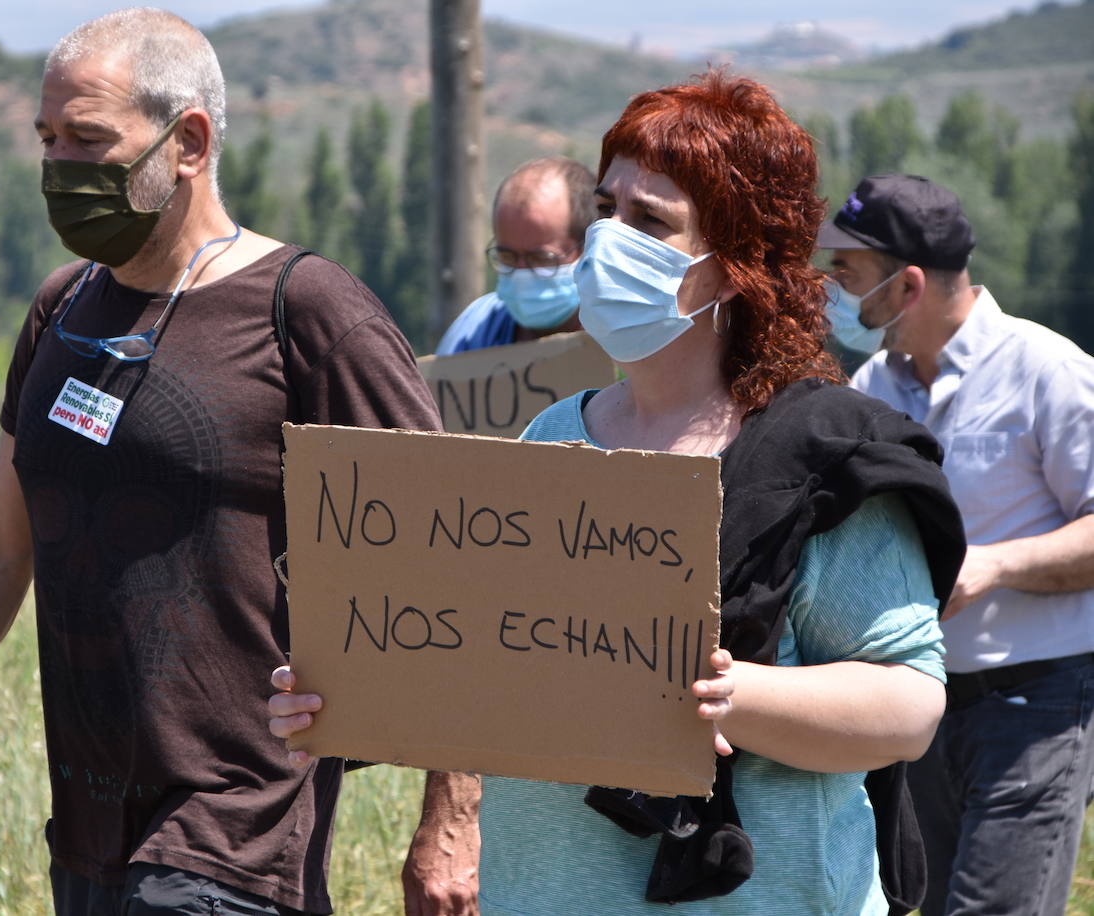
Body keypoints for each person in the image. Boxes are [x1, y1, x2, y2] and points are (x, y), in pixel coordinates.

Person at [272, 72, 968, 915]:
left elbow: (908, 705)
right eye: (606, 208)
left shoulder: (822, 459)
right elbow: (484, 662)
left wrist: (739, 699)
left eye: (651, 221)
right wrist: (348, 689)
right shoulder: (550, 435)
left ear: (731, 267)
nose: (609, 240)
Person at [0, 9, 454, 915]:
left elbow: (449, 566)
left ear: (188, 141)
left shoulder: (307, 313)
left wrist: (451, 819)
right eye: (47, 139)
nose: (60, 166)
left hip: (233, 834)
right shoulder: (61, 311)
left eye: (88, 139)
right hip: (85, 837)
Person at [820, 173, 1094, 916]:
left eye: (846, 272)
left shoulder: (1047, 371)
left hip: (1035, 701)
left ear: (907, 286)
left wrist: (994, 567)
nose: (831, 288)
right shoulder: (873, 386)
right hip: (920, 708)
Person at [435, 157, 595, 355]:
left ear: (589, 249)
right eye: (507, 257)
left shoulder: (625, 341)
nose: (521, 273)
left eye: (541, 258)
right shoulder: (472, 334)